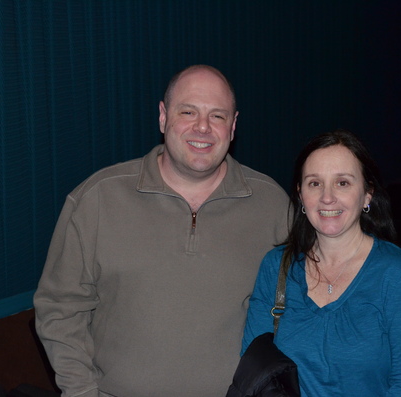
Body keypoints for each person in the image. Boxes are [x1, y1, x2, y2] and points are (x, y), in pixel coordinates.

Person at [33, 65, 290, 397]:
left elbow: (294, 310)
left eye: (217, 116)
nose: (203, 127)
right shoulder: (98, 199)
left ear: (234, 125)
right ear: (163, 116)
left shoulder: (272, 205)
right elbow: (59, 308)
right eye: (188, 111)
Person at [241, 130, 401, 396]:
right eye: (314, 183)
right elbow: (256, 373)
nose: (327, 197)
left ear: (367, 194)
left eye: (342, 183)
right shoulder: (276, 268)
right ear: (300, 195)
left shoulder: (400, 275)